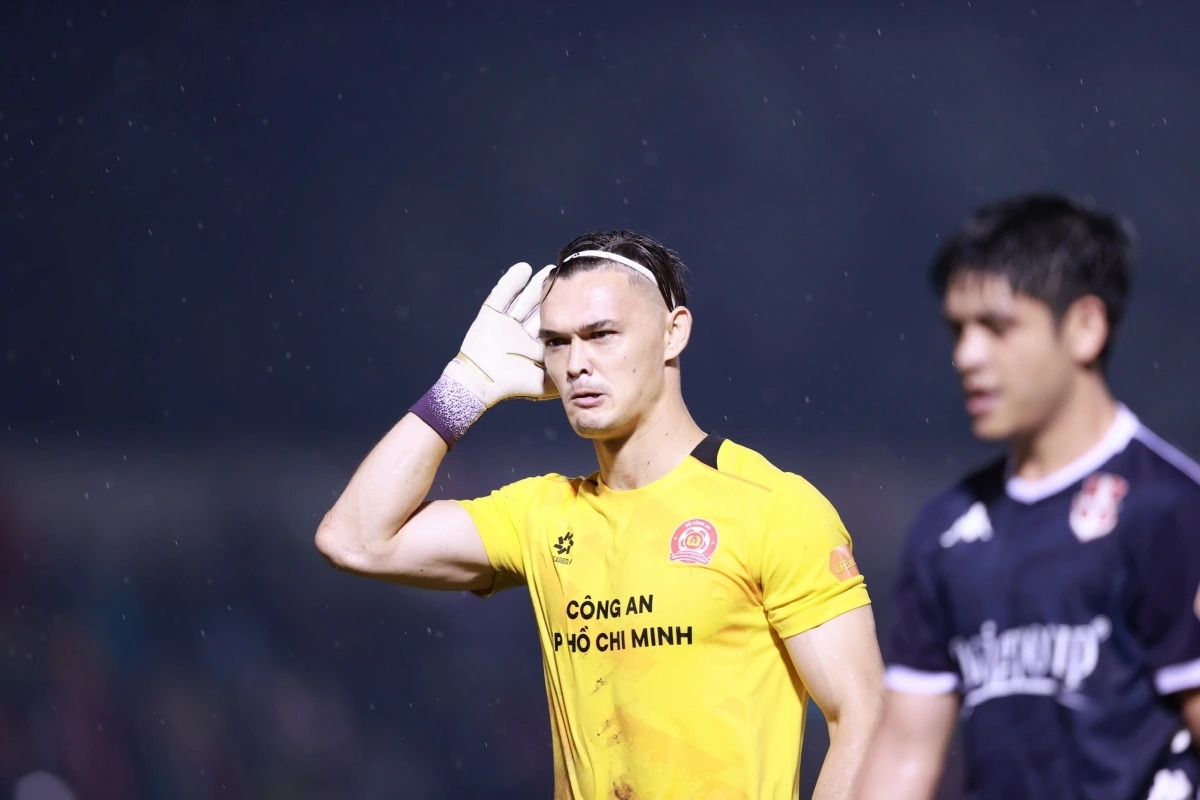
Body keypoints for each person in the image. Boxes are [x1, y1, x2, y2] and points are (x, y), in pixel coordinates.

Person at [315, 230, 884, 800]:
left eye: (601, 334)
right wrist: (464, 388)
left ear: (673, 332)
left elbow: (863, 717)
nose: (575, 364)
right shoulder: (541, 515)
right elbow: (354, 540)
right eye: (556, 342)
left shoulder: (772, 507)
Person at [857, 194, 1200, 800]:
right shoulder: (946, 531)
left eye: (997, 327)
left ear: (1085, 328)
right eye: (958, 329)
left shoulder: (1170, 510)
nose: (967, 356)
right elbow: (906, 755)